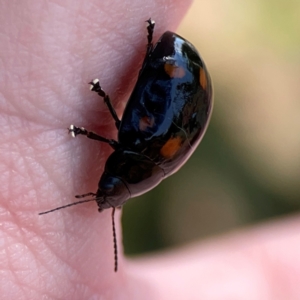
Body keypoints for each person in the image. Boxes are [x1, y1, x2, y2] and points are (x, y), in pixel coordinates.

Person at [1, 1, 299, 299]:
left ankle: (148, 46)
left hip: (182, 70)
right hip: (179, 68)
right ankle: (147, 47)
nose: (102, 190)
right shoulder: (144, 150)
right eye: (109, 189)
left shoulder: (157, 160)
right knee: (126, 122)